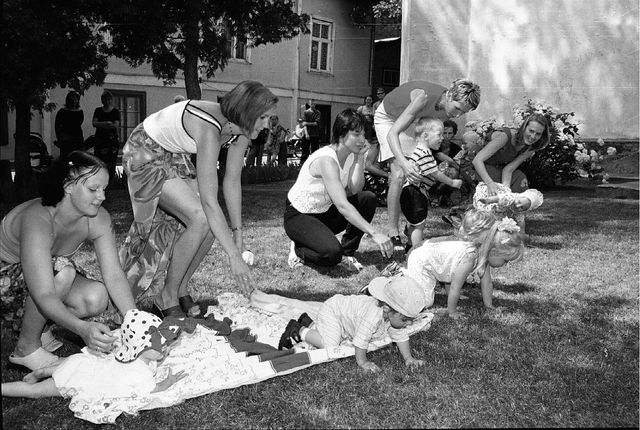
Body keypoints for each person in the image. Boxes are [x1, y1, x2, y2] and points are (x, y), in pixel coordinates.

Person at [119, 81, 277, 319]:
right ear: (245, 112)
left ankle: (179, 288)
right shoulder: (209, 127)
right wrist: (233, 255)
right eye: (262, 117)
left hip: (174, 155)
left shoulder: (241, 131)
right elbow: (209, 201)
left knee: (212, 226)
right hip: (145, 150)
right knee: (202, 218)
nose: (267, 125)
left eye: (268, 118)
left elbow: (232, 181)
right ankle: (166, 297)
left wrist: (238, 235)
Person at [0, 151, 137, 371]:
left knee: (96, 297)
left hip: (36, 279)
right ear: (68, 186)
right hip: (5, 280)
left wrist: (134, 319)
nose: (102, 196)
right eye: (93, 189)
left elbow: (113, 274)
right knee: (63, 271)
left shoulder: (98, 218)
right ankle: (26, 348)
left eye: (104, 188)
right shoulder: (38, 218)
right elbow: (44, 292)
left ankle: (37, 327)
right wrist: (82, 328)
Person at [373, 79, 481, 250]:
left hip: (412, 120)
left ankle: (412, 224)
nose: (457, 115)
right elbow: (393, 133)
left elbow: (426, 144)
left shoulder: (446, 113)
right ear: (449, 96)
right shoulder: (422, 98)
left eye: (463, 112)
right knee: (399, 174)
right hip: (389, 118)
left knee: (416, 175)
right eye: (457, 108)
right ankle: (393, 231)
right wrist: (404, 162)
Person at [284, 108, 393, 272]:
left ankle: (347, 252)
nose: (362, 140)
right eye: (356, 134)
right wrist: (375, 233)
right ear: (342, 133)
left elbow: (355, 189)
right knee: (331, 255)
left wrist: (359, 158)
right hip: (299, 215)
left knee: (367, 198)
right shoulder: (326, 159)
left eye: (363, 134)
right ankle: (299, 249)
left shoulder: (351, 155)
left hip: (325, 212)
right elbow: (342, 205)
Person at [1, 309, 185, 400]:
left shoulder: (131, 354)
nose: (165, 348)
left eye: (166, 344)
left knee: (62, 367)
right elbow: (151, 390)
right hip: (80, 379)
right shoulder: (140, 372)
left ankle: (41, 372)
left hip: (83, 363)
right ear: (141, 349)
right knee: (36, 392)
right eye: (161, 345)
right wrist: (167, 382)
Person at [277, 274, 427, 373]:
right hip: (334, 312)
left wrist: (409, 358)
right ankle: (298, 330)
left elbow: (400, 335)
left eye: (410, 320)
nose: (408, 324)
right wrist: (363, 362)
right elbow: (361, 341)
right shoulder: (372, 317)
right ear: (387, 309)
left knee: (337, 335)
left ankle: (309, 323)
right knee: (331, 346)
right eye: (405, 320)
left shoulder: (393, 316)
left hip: (344, 319)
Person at [406, 211, 525, 318]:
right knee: (425, 302)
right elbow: (455, 286)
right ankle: (402, 280)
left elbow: (487, 283)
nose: (505, 264)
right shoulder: (470, 258)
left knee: (440, 285)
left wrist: (489, 306)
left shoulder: (483, 256)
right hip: (420, 261)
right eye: (505, 260)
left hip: (434, 262)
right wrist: (452, 312)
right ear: (494, 252)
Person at [399, 118, 462, 253]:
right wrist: (452, 182)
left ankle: (410, 246)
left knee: (414, 222)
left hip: (412, 191)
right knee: (419, 226)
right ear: (426, 136)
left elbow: (431, 171)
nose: (442, 138)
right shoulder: (424, 153)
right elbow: (435, 174)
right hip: (414, 192)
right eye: (439, 134)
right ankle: (417, 252)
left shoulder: (421, 151)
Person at [429, 119, 462, 207]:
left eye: (450, 133)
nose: (447, 136)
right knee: (451, 170)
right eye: (445, 133)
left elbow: (458, 164)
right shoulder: (434, 145)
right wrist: (454, 164)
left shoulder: (456, 148)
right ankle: (435, 196)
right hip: (432, 173)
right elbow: (442, 157)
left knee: (453, 172)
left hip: (447, 177)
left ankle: (439, 195)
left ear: (454, 134)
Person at [92, 91, 121, 185]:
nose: (107, 101)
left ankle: (109, 183)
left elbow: (115, 125)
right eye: (105, 99)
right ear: (102, 100)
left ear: (111, 100)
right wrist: (106, 123)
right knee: (99, 162)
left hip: (111, 141)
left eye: (109, 99)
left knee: (111, 163)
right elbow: (94, 123)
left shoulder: (115, 111)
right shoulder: (98, 111)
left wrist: (102, 125)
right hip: (100, 140)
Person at [54, 91, 84, 159]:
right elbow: (57, 126)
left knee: (77, 158)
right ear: (68, 100)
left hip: (78, 139)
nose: (74, 101)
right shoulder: (62, 112)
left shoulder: (80, 112)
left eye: (75, 99)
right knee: (66, 158)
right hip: (66, 139)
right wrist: (60, 138)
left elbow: (78, 124)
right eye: (72, 99)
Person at [300, 99, 321, 164]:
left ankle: (314, 164)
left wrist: (306, 123)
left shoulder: (318, 113)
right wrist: (306, 134)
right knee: (305, 151)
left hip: (315, 134)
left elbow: (316, 123)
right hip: (307, 133)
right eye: (311, 104)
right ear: (309, 104)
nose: (313, 105)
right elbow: (304, 124)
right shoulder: (306, 112)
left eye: (314, 104)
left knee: (315, 151)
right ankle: (302, 164)